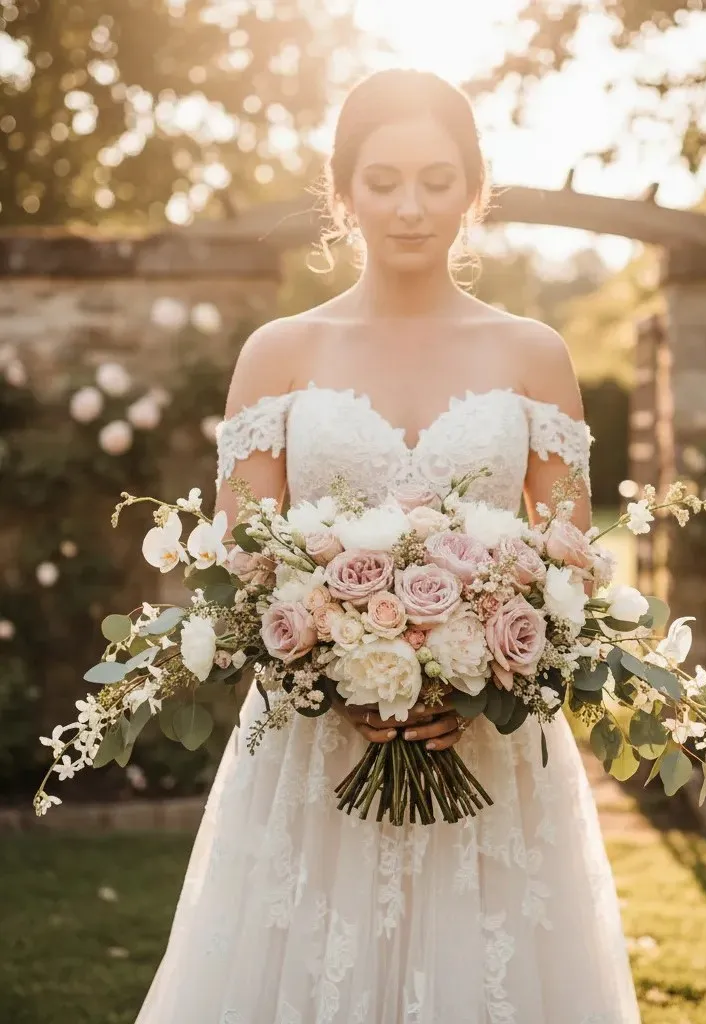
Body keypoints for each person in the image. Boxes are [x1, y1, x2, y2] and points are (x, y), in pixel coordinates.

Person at [136, 68, 641, 1024]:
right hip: (315, 748)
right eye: (383, 181)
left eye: (437, 181)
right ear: (343, 192)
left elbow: (568, 565)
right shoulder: (278, 353)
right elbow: (243, 565)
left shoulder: (535, 354)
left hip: (486, 744)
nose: (411, 207)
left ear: (474, 189)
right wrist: (342, 668)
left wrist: (472, 667)